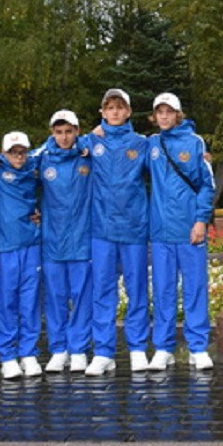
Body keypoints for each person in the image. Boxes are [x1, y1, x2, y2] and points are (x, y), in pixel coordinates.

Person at [146, 93, 216, 371]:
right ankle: (163, 348)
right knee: (163, 290)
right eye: (159, 112)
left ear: (178, 114)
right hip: (161, 232)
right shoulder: (150, 144)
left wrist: (201, 221)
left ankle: (198, 347)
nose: (164, 116)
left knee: (195, 288)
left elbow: (206, 185)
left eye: (169, 112)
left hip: (190, 232)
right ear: (154, 116)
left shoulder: (195, 142)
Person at [85, 88, 151, 376]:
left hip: (134, 228)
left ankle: (137, 348)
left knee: (136, 288)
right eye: (109, 107)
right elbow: (54, 152)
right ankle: (103, 352)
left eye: (119, 107)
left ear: (128, 112)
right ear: (102, 112)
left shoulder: (142, 143)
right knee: (102, 290)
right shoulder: (90, 141)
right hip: (102, 229)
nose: (114, 112)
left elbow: (165, 168)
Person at [37, 110, 93, 373]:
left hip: (82, 240)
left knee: (81, 296)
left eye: (69, 131)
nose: (64, 137)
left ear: (77, 131)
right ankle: (59, 349)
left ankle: (79, 349)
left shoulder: (88, 155)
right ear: (52, 133)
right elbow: (14, 164)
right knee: (55, 297)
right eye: (58, 132)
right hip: (53, 241)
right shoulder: (42, 158)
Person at [0, 131, 43, 379]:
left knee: (30, 301)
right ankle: (8, 355)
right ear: (4, 154)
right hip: (6, 248)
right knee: (8, 302)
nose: (18, 156)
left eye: (22, 151)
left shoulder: (34, 169)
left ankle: (29, 353)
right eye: (13, 152)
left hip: (31, 245)